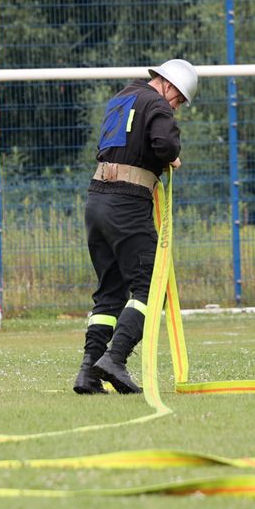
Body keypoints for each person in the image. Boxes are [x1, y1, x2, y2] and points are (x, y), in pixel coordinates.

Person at [75, 59, 197, 395]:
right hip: (126, 203)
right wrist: (171, 158)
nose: (177, 107)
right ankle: (115, 359)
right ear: (169, 85)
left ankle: (88, 372)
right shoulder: (156, 102)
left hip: (96, 201)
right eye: (180, 100)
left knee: (110, 292)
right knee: (150, 286)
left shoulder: (121, 98)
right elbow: (165, 144)